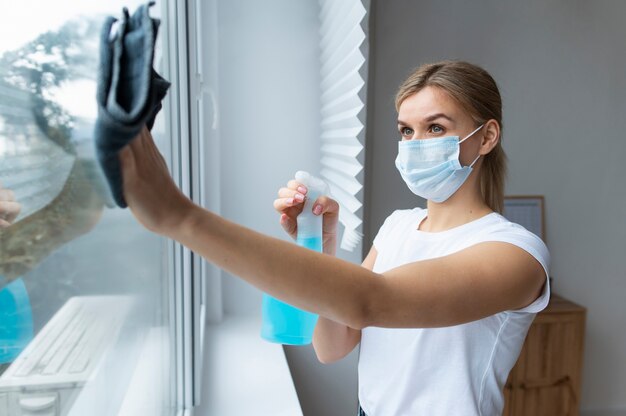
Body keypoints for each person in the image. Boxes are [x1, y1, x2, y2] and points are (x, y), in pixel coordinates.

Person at [117, 60, 549, 416]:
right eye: (406, 130)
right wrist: (322, 240)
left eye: (435, 128)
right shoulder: (399, 225)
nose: (416, 144)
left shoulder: (517, 254)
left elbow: (370, 301)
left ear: (487, 136)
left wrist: (182, 218)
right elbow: (333, 344)